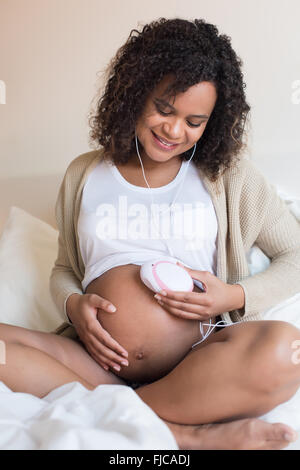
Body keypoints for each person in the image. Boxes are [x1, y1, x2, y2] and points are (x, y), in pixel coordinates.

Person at [1, 17, 300, 450]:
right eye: (164, 108)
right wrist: (74, 305)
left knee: (285, 350)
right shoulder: (85, 173)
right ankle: (178, 432)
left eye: (195, 121)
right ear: (135, 92)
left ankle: (123, 410)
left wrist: (231, 297)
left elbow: (296, 253)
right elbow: (65, 267)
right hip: (96, 363)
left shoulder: (228, 177)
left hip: (198, 363)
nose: (175, 131)